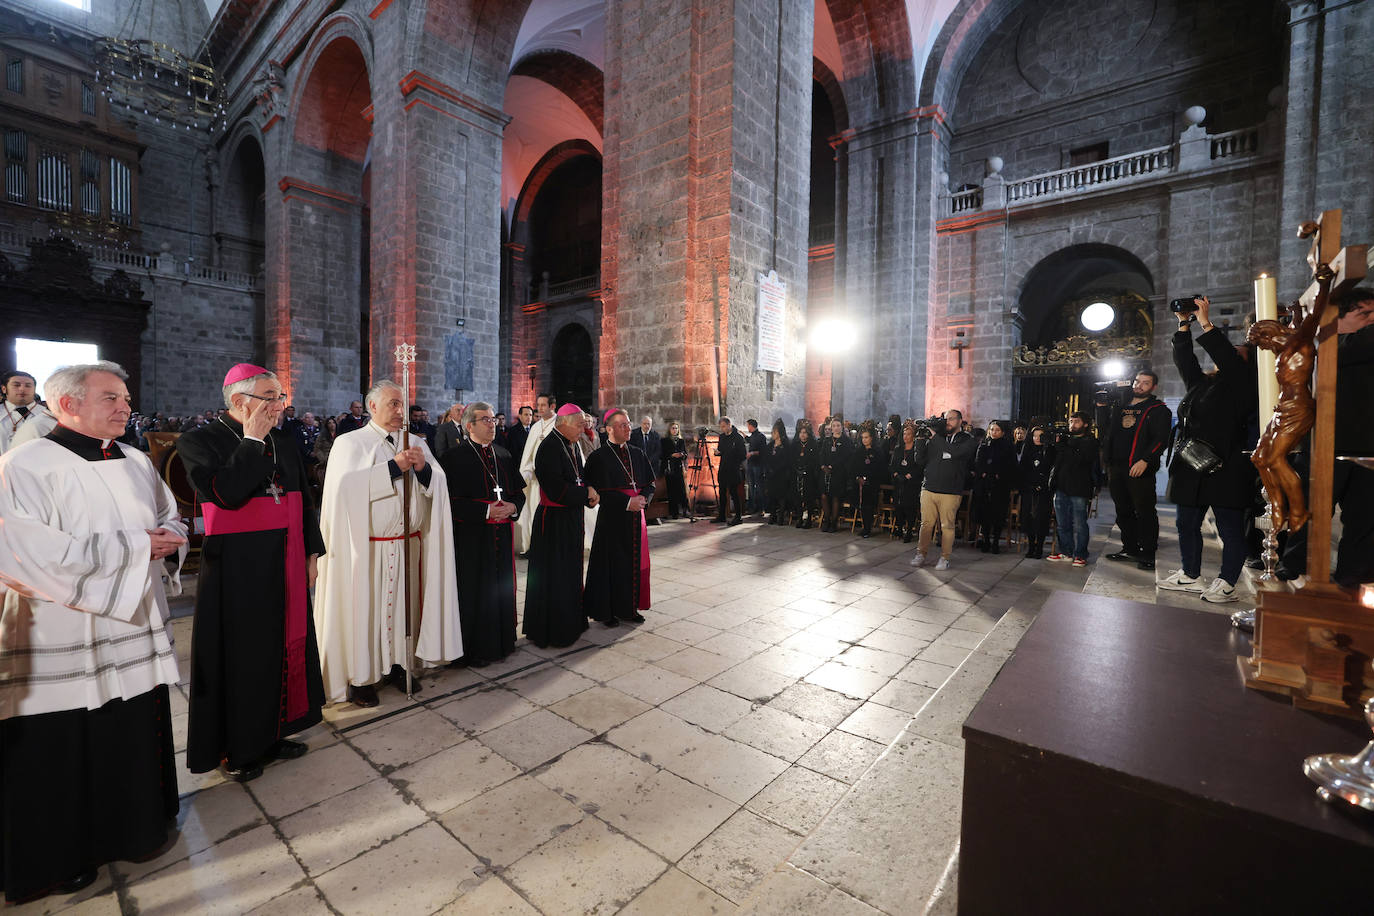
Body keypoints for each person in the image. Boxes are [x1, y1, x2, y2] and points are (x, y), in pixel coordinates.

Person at [0, 361, 184, 901]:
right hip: (63, 628)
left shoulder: (133, 459)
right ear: (68, 404)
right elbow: (23, 550)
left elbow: (168, 513)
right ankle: (63, 855)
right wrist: (135, 548)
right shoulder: (23, 465)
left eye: (125, 398)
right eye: (111, 398)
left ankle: (136, 828)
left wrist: (172, 533)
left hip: (130, 623)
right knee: (64, 738)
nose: (125, 407)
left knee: (126, 722)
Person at [176, 364, 326, 781]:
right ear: (240, 402)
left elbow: (305, 499)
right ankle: (238, 747)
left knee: (281, 646)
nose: (281, 405)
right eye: (271, 397)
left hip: (287, 557)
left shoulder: (285, 441)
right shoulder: (198, 441)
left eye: (281, 396)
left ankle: (275, 731)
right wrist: (253, 440)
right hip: (237, 569)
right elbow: (224, 493)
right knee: (243, 656)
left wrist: (313, 553)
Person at [314, 380, 462, 707]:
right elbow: (344, 490)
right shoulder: (350, 443)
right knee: (367, 612)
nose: (400, 411)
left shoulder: (415, 442)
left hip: (407, 544)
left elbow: (436, 484)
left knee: (404, 610)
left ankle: (398, 664)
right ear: (372, 408)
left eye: (403, 404)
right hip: (367, 549)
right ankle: (362, 678)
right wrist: (394, 467)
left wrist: (423, 469)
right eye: (393, 404)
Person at [1157, 296, 1259, 602]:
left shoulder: (1246, 383)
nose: (1223, 357)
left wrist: (1206, 321)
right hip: (1192, 465)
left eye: (1234, 353)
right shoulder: (1203, 384)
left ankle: (1227, 582)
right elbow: (1185, 360)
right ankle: (1190, 575)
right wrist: (1183, 323)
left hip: (1226, 467)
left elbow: (1228, 358)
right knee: (1185, 522)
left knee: (1229, 528)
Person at [1275, 287, 1374, 587]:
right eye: (1365, 314)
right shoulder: (1324, 346)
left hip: (1368, 450)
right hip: (1325, 444)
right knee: (1309, 513)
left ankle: (1352, 582)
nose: (1372, 321)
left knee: (1365, 522)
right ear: (1337, 318)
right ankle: (1292, 571)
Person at [439, 402, 524, 666]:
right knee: (475, 592)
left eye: (493, 420)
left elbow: (518, 494)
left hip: (503, 536)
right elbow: (448, 504)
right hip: (473, 540)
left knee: (501, 589)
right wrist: (486, 512)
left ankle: (503, 642)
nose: (492, 424)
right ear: (469, 426)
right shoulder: (454, 458)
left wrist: (513, 507)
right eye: (485, 420)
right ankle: (475, 649)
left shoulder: (504, 455)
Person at [523, 404, 600, 648]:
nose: (583, 428)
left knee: (572, 571)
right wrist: (586, 494)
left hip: (571, 516)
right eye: (579, 424)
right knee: (555, 575)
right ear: (563, 423)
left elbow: (581, 475)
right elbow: (556, 490)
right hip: (553, 521)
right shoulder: (548, 447)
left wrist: (589, 490)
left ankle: (572, 622)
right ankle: (553, 629)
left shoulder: (571, 444)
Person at [583, 409, 655, 627]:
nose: (628, 428)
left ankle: (629, 608)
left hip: (636, 519)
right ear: (609, 429)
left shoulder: (638, 453)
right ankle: (609, 611)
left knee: (633, 564)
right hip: (612, 519)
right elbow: (596, 491)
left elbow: (650, 483)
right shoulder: (598, 458)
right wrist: (626, 502)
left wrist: (643, 499)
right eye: (623, 424)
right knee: (612, 565)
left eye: (628, 423)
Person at [1100, 369, 1171, 570]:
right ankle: (1129, 548)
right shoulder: (1121, 407)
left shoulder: (1159, 409)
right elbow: (1107, 431)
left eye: (1145, 383)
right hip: (1117, 466)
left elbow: (1161, 439)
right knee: (1123, 510)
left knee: (1145, 511)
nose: (1139, 385)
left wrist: (1145, 460)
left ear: (1153, 387)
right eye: (1137, 381)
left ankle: (1148, 552)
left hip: (1140, 467)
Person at [911, 410, 977, 570]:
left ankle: (945, 557)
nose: (947, 422)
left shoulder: (967, 440)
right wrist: (920, 439)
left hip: (950, 490)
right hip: (929, 487)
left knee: (947, 525)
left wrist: (935, 437)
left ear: (960, 421)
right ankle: (921, 554)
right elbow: (919, 460)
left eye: (951, 419)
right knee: (926, 524)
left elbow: (954, 452)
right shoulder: (936, 437)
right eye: (945, 419)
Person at [1046, 412, 1100, 567]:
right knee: (1062, 523)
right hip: (1061, 486)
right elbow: (1054, 461)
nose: (1072, 425)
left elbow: (1081, 459)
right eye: (1070, 421)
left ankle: (1081, 555)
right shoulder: (1065, 440)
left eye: (1076, 421)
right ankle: (1066, 552)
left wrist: (1063, 446)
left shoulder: (1090, 441)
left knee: (1080, 523)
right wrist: (1053, 445)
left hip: (1079, 487)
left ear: (1085, 424)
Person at [516, 393, 559, 554]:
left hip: (552, 481)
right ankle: (533, 545)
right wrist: (526, 471)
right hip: (534, 480)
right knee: (532, 513)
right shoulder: (535, 426)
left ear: (552, 406)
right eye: (538, 405)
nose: (539, 408)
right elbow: (528, 454)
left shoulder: (559, 424)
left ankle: (548, 546)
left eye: (543, 405)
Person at [971, 420, 1016, 553]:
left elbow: (1010, 465)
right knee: (984, 513)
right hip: (984, 484)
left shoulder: (1008, 446)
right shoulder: (984, 444)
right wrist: (984, 473)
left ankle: (996, 541)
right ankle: (985, 540)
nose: (993, 432)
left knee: (998, 514)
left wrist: (998, 474)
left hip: (1000, 484)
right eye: (991, 430)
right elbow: (978, 462)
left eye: (997, 430)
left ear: (1002, 432)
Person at [1017, 426, 1055, 559]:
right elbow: (1022, 470)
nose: (1037, 439)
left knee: (1041, 519)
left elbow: (1051, 470)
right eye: (1034, 436)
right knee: (1028, 518)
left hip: (1044, 491)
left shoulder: (1050, 451)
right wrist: (1029, 485)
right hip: (1029, 490)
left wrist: (1042, 485)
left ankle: (1039, 546)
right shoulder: (1027, 450)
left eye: (1040, 436)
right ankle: (1031, 545)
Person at [1, 370, 57, 452]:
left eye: (28, 386)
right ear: (4, 389)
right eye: (16, 385)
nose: (22, 389)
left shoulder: (49, 415)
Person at [890, 421, 923, 543]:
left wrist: (909, 476)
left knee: (909, 507)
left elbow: (919, 466)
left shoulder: (916, 449)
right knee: (898, 506)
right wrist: (896, 475)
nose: (906, 436)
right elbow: (892, 465)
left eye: (908, 434)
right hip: (899, 482)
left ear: (913, 436)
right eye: (904, 434)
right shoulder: (899, 449)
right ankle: (899, 528)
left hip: (911, 483)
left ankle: (909, 530)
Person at [819, 417, 853, 532]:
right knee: (824, 496)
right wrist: (823, 466)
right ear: (831, 428)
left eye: (838, 425)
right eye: (834, 426)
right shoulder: (827, 440)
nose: (836, 428)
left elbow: (846, 457)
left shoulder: (846, 441)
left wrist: (833, 466)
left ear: (842, 427)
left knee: (835, 497)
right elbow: (822, 454)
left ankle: (834, 522)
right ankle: (827, 519)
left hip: (839, 473)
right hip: (826, 473)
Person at [853, 427, 886, 537]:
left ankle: (868, 528)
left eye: (866, 437)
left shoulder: (878, 451)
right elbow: (855, 466)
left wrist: (870, 479)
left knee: (869, 506)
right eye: (862, 438)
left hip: (872, 482)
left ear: (871, 438)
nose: (864, 440)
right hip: (861, 482)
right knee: (862, 505)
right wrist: (858, 477)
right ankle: (864, 526)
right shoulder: (858, 451)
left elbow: (880, 468)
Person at [715, 416, 747, 525]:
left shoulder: (738, 438)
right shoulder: (722, 437)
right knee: (722, 492)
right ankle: (722, 515)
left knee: (734, 493)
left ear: (729, 425)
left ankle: (738, 517)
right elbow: (721, 450)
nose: (722, 429)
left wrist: (732, 455)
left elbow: (743, 455)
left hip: (733, 469)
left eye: (724, 426)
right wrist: (718, 452)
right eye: (721, 427)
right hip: (723, 468)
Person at [792, 421, 822, 528]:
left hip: (809, 475)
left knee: (809, 498)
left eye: (805, 433)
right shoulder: (795, 445)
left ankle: (809, 519)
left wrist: (807, 469)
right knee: (798, 498)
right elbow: (792, 459)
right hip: (797, 474)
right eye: (801, 432)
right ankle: (799, 518)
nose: (803, 435)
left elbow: (815, 460)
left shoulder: (813, 445)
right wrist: (797, 469)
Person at [763, 420, 793, 524]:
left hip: (781, 474)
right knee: (772, 495)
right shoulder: (771, 445)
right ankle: (773, 514)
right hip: (771, 475)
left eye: (775, 432)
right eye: (772, 432)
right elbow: (766, 457)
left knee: (781, 496)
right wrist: (769, 469)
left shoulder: (786, 445)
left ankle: (780, 516)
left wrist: (777, 469)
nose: (773, 434)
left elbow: (787, 460)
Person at [662, 420, 690, 519]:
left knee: (682, 490)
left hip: (678, 468)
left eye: (676, 428)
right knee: (672, 491)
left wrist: (682, 455)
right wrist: (671, 455)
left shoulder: (681, 441)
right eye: (673, 428)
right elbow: (662, 455)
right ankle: (674, 512)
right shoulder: (665, 441)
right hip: (670, 468)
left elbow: (685, 453)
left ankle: (685, 510)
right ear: (669, 430)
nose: (675, 430)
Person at [744, 419, 767, 513]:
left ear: (751, 426)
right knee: (750, 487)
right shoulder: (753, 436)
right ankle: (752, 507)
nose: (747, 428)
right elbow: (750, 440)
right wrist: (744, 435)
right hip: (751, 464)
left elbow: (763, 451)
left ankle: (761, 508)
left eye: (748, 426)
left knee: (759, 487)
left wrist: (752, 453)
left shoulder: (761, 436)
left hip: (758, 465)